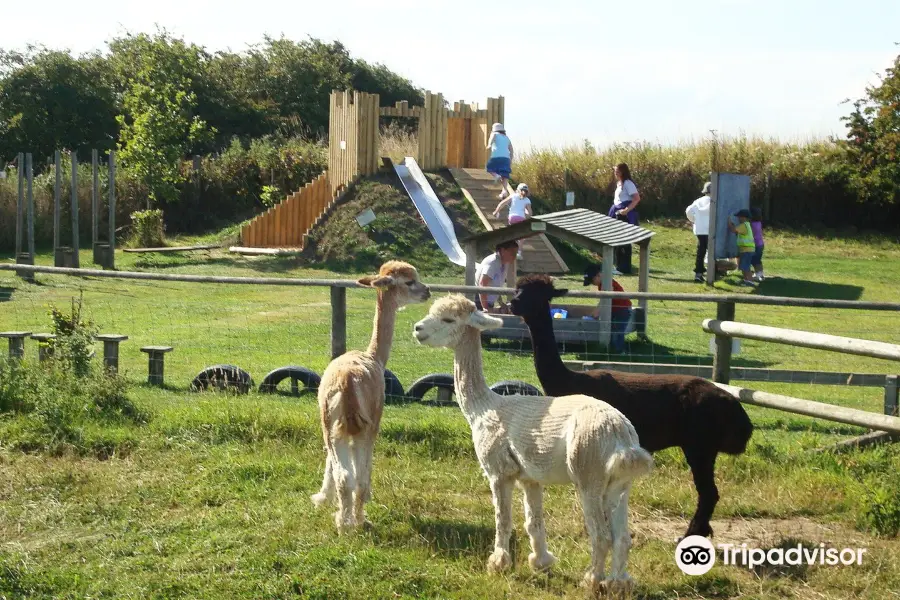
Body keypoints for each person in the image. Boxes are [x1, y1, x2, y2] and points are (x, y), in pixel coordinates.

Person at [583, 263, 633, 353]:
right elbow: (603, 300)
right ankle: (613, 349)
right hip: (615, 310)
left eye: (592, 280)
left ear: (598, 275)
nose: (592, 283)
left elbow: (605, 300)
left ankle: (620, 351)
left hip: (622, 310)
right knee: (613, 330)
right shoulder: (602, 284)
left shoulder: (607, 283)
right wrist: (596, 310)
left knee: (617, 331)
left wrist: (597, 311)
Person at [608, 162, 641, 275]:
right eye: (615, 170)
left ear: (623, 171)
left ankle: (624, 268)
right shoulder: (619, 184)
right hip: (617, 212)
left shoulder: (628, 183)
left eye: (618, 170)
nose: (615, 172)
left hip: (624, 214)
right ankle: (618, 266)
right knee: (617, 240)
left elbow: (636, 198)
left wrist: (626, 210)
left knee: (624, 242)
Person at [475, 240, 519, 312]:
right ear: (503, 250)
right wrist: (485, 308)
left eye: (516, 253)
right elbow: (483, 284)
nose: (514, 256)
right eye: (512, 252)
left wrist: (501, 303)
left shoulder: (504, 264)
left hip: (488, 302)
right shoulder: (492, 262)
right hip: (479, 301)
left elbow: (496, 286)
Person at [685, 182, 712, 282]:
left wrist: (694, 220)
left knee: (701, 251)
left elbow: (688, 211)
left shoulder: (697, 201)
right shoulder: (715, 201)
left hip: (700, 230)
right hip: (711, 230)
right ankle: (714, 271)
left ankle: (698, 273)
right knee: (712, 251)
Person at [729, 209, 756, 287]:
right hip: (746, 249)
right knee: (743, 266)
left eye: (739, 217)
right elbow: (737, 231)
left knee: (746, 267)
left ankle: (750, 281)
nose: (738, 219)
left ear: (744, 217)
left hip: (747, 250)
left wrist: (729, 222)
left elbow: (733, 230)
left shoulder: (744, 225)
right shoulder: (746, 225)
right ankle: (745, 280)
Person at [485, 123, 514, 199]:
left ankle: (496, 175)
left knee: (489, 167)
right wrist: (510, 159)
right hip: (506, 159)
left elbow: (492, 138)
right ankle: (504, 191)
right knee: (505, 175)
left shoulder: (494, 134)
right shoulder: (506, 138)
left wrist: (489, 144)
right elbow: (511, 149)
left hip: (496, 156)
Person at [750, 207, 765, 281]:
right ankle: (760, 274)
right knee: (758, 260)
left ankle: (758, 274)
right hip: (760, 244)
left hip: (756, 245)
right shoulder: (759, 223)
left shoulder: (752, 224)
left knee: (754, 260)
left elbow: (751, 234)